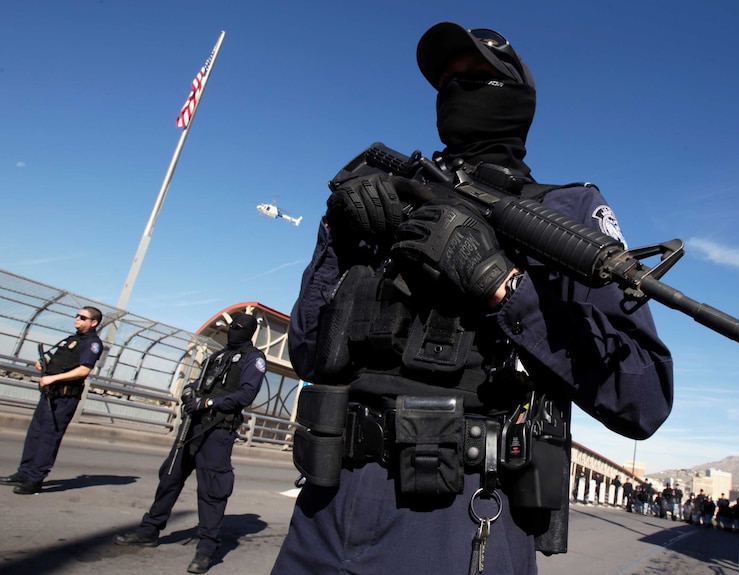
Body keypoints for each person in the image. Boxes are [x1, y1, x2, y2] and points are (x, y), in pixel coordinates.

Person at [271, 22, 673, 575]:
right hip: (325, 508)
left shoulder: (566, 214)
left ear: (516, 98)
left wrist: (501, 285)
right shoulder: (394, 194)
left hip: (462, 517)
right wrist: (336, 238)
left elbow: (644, 396)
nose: (455, 91)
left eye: (476, 77)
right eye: (445, 81)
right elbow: (308, 352)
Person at [113, 312, 266, 574]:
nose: (233, 331)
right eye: (231, 327)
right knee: (170, 477)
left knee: (212, 490)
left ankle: (206, 549)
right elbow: (198, 383)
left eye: (239, 327)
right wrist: (189, 393)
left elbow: (246, 394)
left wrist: (209, 403)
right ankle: (149, 530)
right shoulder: (216, 357)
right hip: (192, 427)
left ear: (249, 330)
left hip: (217, 431)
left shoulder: (254, 359)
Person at [0, 307, 104, 495]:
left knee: (48, 437)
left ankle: (35, 479)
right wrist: (45, 365)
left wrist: (53, 378)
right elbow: (62, 362)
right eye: (76, 315)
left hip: (64, 397)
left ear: (93, 322)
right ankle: (24, 473)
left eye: (82, 317)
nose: (77, 319)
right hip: (50, 394)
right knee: (35, 434)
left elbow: (84, 370)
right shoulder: (72, 340)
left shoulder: (92, 343)